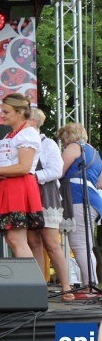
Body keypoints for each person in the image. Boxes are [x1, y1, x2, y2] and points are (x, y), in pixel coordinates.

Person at [0, 93, 44, 259]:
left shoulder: (27, 134)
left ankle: (29, 276)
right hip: (9, 185)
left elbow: (24, 167)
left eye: (6, 112)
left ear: (20, 112)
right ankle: (25, 275)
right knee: (11, 239)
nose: (2, 115)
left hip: (19, 186)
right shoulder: (12, 135)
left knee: (16, 239)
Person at [26, 108, 73, 301]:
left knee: (52, 243)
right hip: (27, 194)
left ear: (34, 122)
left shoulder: (48, 144)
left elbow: (56, 171)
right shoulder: (19, 142)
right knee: (33, 243)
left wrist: (31, 176)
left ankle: (66, 286)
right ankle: (40, 286)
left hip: (45, 194)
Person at [57, 122, 102, 286]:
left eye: (63, 141)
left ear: (68, 137)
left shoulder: (74, 147)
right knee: (86, 246)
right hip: (93, 200)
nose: (63, 145)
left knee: (79, 246)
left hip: (77, 198)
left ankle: (89, 286)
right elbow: (99, 183)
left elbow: (58, 170)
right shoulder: (96, 154)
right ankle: (90, 284)